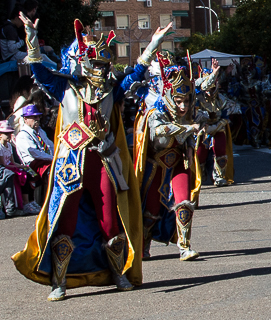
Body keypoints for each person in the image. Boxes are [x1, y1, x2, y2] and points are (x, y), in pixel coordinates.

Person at [13, 15, 166, 301]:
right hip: (71, 163)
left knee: (110, 221)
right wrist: (31, 36)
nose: (101, 70)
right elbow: (38, 69)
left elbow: (134, 74)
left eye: (104, 65)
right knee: (65, 220)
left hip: (103, 162)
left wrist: (152, 45)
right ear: (83, 63)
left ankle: (117, 272)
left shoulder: (111, 90)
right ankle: (59, 281)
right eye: (96, 64)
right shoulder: (65, 88)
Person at [133, 51, 203, 262]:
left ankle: (184, 246)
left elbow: (191, 133)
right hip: (156, 166)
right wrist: (187, 129)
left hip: (178, 162)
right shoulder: (156, 111)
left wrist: (191, 144)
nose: (183, 106)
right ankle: (144, 244)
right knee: (151, 212)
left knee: (184, 203)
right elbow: (159, 131)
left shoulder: (188, 113)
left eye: (187, 101)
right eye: (179, 101)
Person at [193, 59, 239, 187]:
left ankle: (219, 176)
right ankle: (200, 174)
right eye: (209, 87)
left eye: (213, 86)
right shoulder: (197, 98)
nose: (210, 90)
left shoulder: (221, 99)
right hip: (202, 130)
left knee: (220, 149)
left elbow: (225, 117)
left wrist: (216, 127)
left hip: (218, 128)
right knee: (200, 153)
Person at [1, 116, 37, 217]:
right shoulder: (0, 147)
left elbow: (12, 162)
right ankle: (23, 204)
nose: (9, 135)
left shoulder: (9, 146)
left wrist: (23, 166)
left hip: (11, 166)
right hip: (5, 169)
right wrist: (18, 168)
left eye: (9, 132)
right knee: (21, 174)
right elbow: (3, 164)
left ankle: (31, 201)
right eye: (6, 133)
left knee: (30, 172)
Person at [14, 103, 53, 181]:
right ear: (25, 119)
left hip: (46, 159)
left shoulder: (41, 131)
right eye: (35, 117)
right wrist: (52, 158)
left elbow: (50, 145)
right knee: (51, 170)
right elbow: (34, 153)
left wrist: (57, 156)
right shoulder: (22, 135)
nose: (38, 119)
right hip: (30, 166)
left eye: (38, 116)